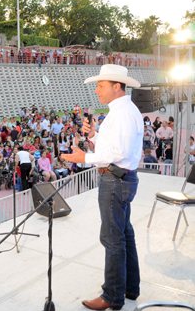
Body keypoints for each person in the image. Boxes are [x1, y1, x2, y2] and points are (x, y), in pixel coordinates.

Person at [63, 64, 142, 310]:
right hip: (120, 178)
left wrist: (84, 158)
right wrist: (95, 136)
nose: (96, 90)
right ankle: (128, 289)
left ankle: (112, 296)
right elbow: (113, 148)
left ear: (116, 87)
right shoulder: (123, 110)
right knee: (123, 235)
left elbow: (119, 152)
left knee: (112, 239)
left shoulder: (122, 113)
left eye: (100, 85)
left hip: (115, 181)